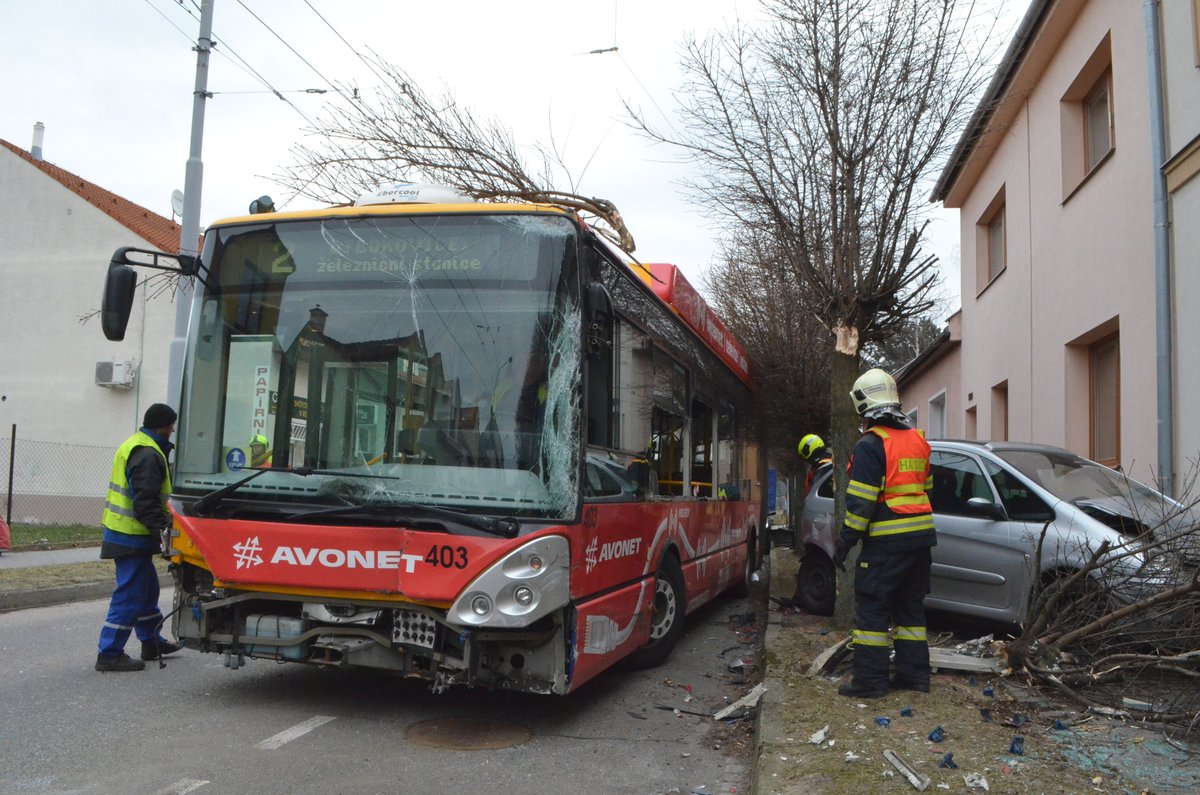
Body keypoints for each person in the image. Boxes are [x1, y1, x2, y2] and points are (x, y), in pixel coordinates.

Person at [835, 369, 935, 698]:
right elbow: (927, 490)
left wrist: (845, 542)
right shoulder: (918, 441)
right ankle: (914, 677)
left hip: (886, 543)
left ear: (863, 403)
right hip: (920, 541)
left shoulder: (870, 445)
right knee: (910, 609)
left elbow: (861, 504)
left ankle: (870, 681)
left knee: (872, 609)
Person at [95, 403, 184, 672]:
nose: (173, 429)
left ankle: (151, 641)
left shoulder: (141, 445)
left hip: (129, 533)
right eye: (171, 425)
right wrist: (164, 535)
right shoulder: (147, 453)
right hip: (129, 535)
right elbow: (145, 502)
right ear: (163, 426)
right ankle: (109, 653)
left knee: (146, 589)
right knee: (131, 594)